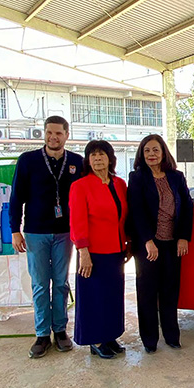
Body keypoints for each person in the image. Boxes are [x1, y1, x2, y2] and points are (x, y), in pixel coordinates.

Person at [10, 115, 83, 358]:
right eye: (49, 133)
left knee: (61, 284)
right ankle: (42, 334)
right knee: (40, 284)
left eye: (59, 133)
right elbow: (16, 197)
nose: (54, 137)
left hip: (65, 233)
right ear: (43, 133)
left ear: (67, 135)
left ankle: (60, 331)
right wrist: (15, 230)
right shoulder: (28, 160)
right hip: (35, 233)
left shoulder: (77, 162)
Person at [127, 134, 194, 354]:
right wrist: (147, 241)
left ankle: (172, 336)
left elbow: (187, 206)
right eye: (147, 151)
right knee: (147, 292)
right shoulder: (137, 178)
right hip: (148, 246)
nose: (151, 155)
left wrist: (184, 236)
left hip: (172, 243)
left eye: (155, 150)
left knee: (170, 291)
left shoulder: (176, 177)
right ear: (142, 154)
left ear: (163, 152)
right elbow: (136, 212)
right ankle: (149, 340)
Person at [69, 140, 130, 359]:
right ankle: (95, 339)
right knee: (93, 297)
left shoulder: (119, 184)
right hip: (92, 253)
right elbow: (77, 222)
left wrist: (128, 243)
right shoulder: (80, 186)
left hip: (115, 250)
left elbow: (125, 217)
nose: (97, 159)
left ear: (110, 158)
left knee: (112, 297)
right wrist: (83, 252)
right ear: (88, 160)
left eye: (101, 155)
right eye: (92, 155)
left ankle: (110, 336)